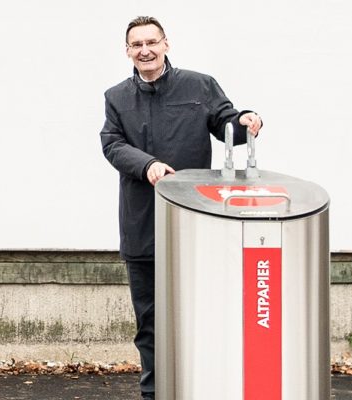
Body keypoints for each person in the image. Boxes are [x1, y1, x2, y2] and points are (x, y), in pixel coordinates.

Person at [99, 16, 263, 400]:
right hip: (143, 227)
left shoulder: (199, 85)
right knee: (150, 320)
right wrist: (147, 165)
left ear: (166, 44)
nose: (146, 50)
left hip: (196, 223)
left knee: (200, 313)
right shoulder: (116, 97)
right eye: (137, 45)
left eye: (152, 42)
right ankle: (155, 391)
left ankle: (201, 385)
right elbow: (112, 144)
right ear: (128, 52)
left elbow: (227, 123)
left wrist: (246, 120)